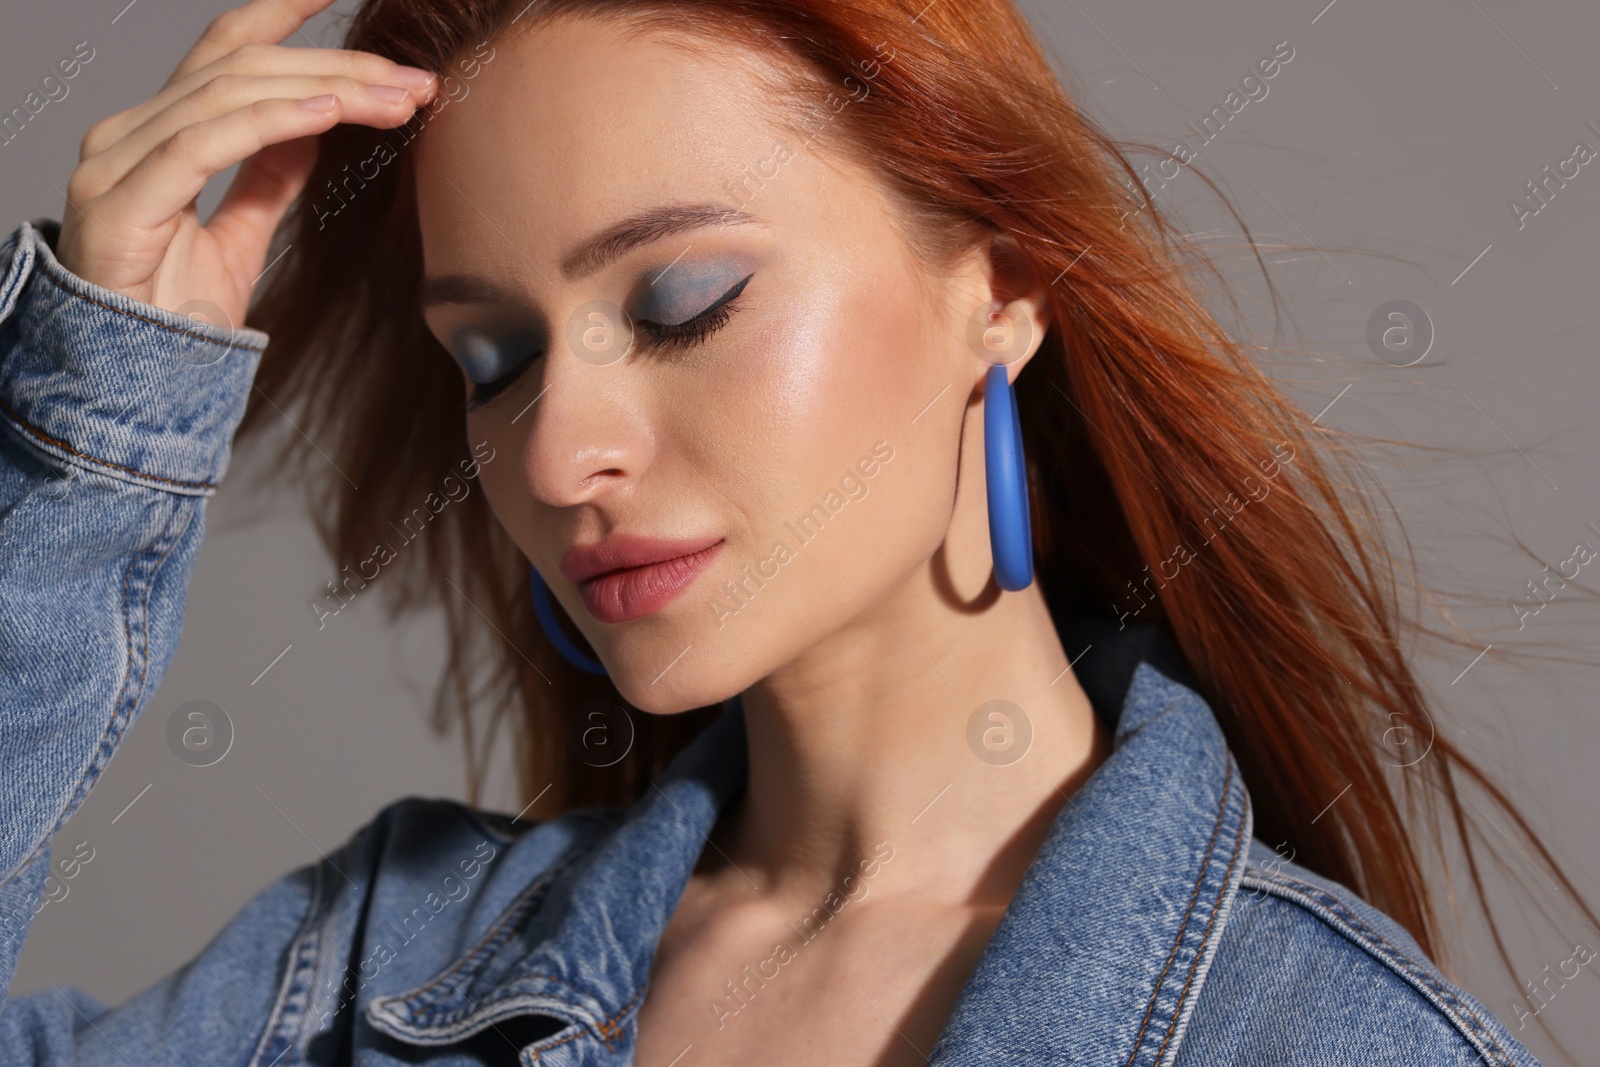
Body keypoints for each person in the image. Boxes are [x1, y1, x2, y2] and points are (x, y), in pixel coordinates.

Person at [0, 0, 1585, 1063]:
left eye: (686, 303)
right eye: (494, 358)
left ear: (1002, 288)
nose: (558, 451)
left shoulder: (1316, 1035)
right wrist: (100, 424)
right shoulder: (377, 968)